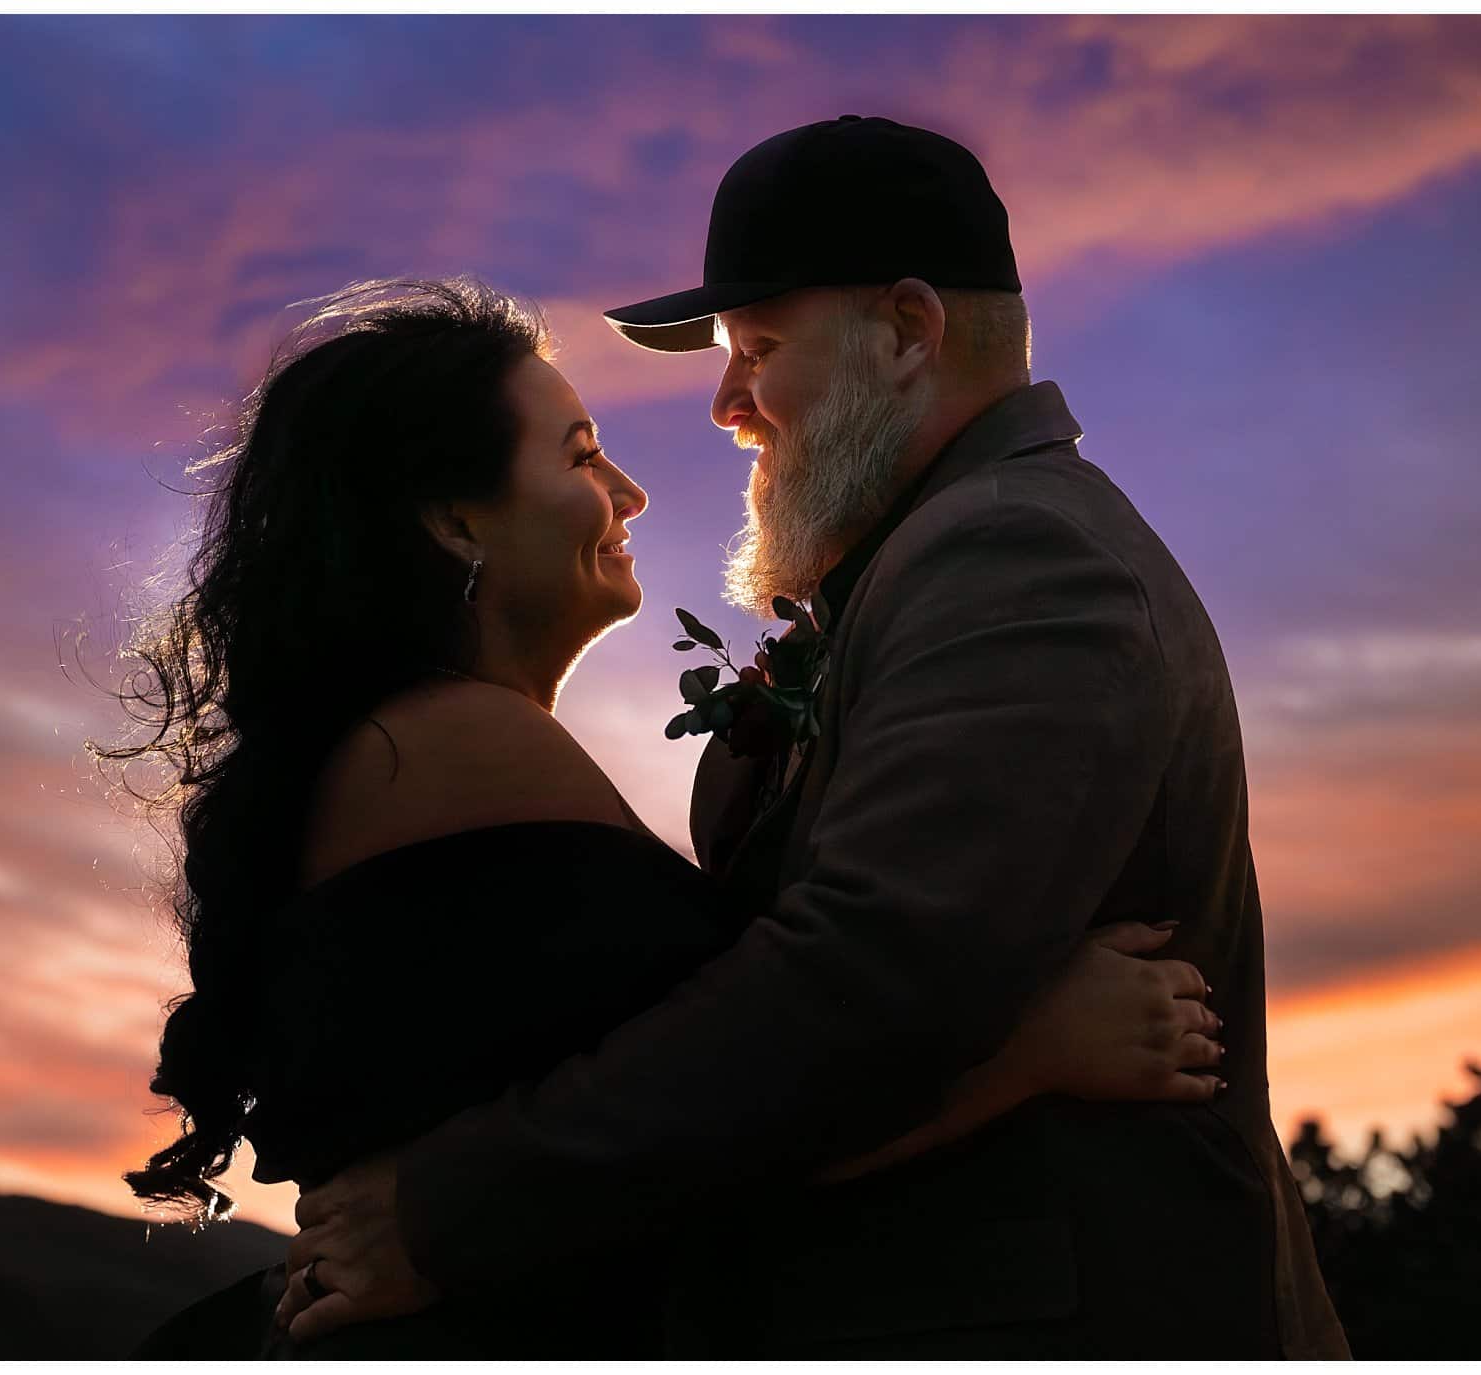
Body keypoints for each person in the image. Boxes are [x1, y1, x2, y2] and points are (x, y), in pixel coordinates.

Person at [275, 119, 1352, 1358]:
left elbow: (869, 979)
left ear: (906, 329)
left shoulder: (1016, 551)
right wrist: (1033, 1040)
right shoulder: (911, 567)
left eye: (759, 347)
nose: (728, 402)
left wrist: (445, 1216)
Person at [109, 277, 1225, 1358]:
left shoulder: (406, 745)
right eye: (581, 453)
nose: (630, 493)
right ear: (455, 520)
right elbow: (746, 1085)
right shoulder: (446, 743)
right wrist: (1031, 1044)